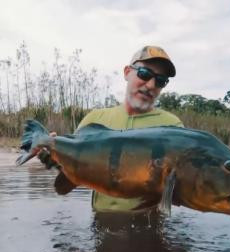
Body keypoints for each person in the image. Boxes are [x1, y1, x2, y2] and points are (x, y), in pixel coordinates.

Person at [40, 46, 184, 213]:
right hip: (101, 225)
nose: (151, 84)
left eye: (160, 80)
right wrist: (56, 160)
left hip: (151, 229)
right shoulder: (94, 120)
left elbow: (179, 192)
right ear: (127, 72)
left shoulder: (173, 128)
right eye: (145, 74)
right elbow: (72, 180)